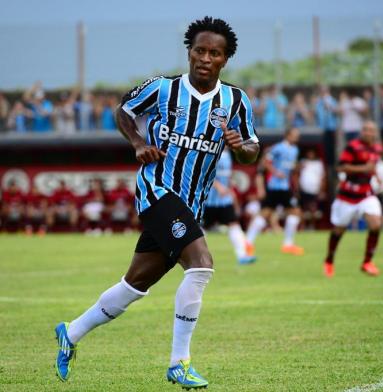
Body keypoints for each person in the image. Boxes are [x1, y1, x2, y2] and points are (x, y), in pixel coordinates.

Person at [54, 16, 260, 389]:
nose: (205, 58)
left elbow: (252, 149)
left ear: (225, 59)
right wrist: (136, 143)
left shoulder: (235, 101)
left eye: (215, 53)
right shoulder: (163, 89)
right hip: (157, 191)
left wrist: (241, 147)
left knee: (135, 284)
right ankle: (179, 363)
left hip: (191, 204)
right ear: (189, 51)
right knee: (201, 264)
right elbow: (124, 111)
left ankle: (71, 332)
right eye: (199, 50)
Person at [323, 121, 383, 278]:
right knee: (338, 230)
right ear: (362, 131)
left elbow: (372, 167)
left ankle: (367, 262)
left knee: (376, 224)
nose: (368, 133)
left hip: (366, 194)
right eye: (366, 129)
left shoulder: (377, 148)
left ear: (375, 133)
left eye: (371, 130)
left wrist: (376, 176)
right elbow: (341, 167)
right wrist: (364, 168)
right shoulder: (353, 146)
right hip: (347, 195)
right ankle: (329, 259)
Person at [246, 127, 304, 256]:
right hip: (275, 186)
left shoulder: (295, 150)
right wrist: (275, 172)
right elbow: (265, 161)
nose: (297, 137)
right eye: (295, 134)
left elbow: (291, 167)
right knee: (269, 213)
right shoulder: (278, 148)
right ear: (288, 135)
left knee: (289, 212)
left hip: (285, 187)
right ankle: (250, 242)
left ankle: (250, 242)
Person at [203, 147, 256, 264]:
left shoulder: (228, 155)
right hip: (209, 201)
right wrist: (219, 186)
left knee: (233, 224)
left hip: (224, 201)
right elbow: (206, 172)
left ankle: (242, 256)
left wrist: (230, 185)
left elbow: (227, 174)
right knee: (200, 229)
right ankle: (195, 256)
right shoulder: (212, 152)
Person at [299, 148, 326, 230]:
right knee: (303, 209)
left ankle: (312, 225)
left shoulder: (318, 163)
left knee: (313, 208)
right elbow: (295, 173)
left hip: (314, 189)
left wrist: (322, 190)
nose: (310, 155)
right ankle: (303, 226)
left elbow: (322, 178)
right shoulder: (302, 162)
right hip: (303, 189)